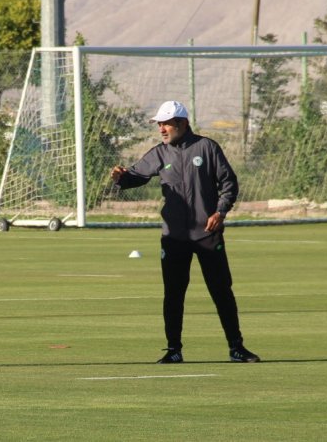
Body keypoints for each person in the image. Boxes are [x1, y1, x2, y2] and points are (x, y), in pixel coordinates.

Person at [111, 100, 260, 364]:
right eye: (159, 124)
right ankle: (173, 350)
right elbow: (136, 176)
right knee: (174, 294)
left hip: (207, 234)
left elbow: (229, 183)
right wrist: (121, 177)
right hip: (174, 238)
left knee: (221, 291)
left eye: (166, 123)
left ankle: (236, 347)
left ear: (182, 123)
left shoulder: (207, 147)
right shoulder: (159, 153)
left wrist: (220, 212)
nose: (161, 129)